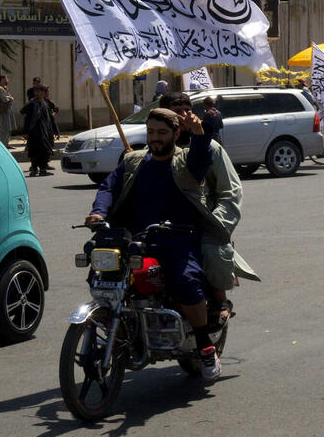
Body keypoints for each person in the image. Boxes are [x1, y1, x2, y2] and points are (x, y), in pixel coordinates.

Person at [85, 107, 225, 380]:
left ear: (175, 133)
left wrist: (199, 135)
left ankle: (205, 346)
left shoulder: (185, 161)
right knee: (103, 273)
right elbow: (108, 188)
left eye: (162, 133)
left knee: (186, 281)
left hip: (178, 238)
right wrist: (98, 212)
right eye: (151, 132)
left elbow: (200, 162)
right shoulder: (133, 161)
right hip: (138, 240)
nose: (155, 138)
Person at [163, 92, 258, 322]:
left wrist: (217, 223)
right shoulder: (154, 147)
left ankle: (219, 299)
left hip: (201, 220)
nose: (183, 115)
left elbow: (231, 190)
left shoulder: (210, 147)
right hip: (162, 220)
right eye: (176, 110)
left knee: (210, 249)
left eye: (187, 109)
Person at [21, 85, 56, 176]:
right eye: (36, 91)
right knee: (34, 151)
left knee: (44, 150)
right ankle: (34, 169)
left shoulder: (45, 103)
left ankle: (43, 170)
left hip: (45, 131)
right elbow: (24, 114)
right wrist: (26, 131)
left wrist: (55, 130)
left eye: (40, 91)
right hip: (34, 131)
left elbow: (50, 118)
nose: (38, 93)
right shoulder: (32, 103)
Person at [0, 75, 15, 145]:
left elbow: (8, 97)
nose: (7, 80)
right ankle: (2, 144)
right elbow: (5, 99)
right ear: (2, 79)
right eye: (5, 79)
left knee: (8, 128)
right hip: (3, 110)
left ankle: (6, 143)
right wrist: (10, 98)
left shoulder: (4, 88)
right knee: (4, 128)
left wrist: (9, 97)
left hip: (7, 109)